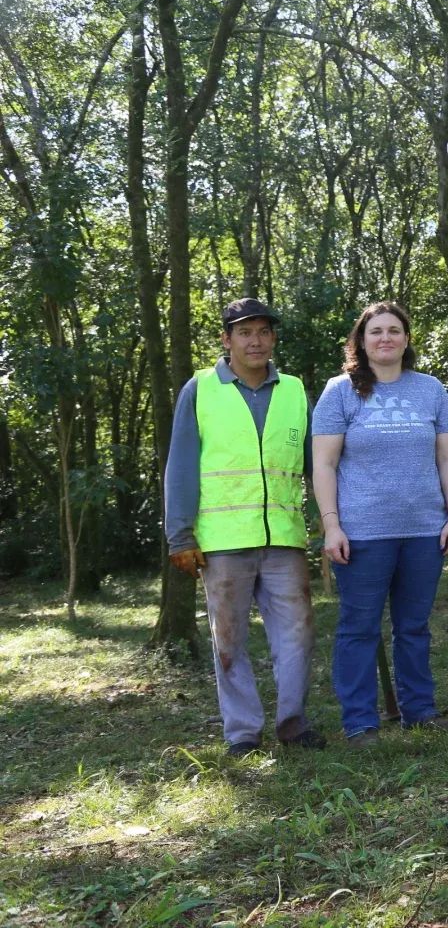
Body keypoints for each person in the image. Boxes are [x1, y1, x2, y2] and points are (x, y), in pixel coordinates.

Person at [164, 297, 325, 756]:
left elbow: (317, 464)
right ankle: (242, 734)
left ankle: (293, 724)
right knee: (229, 640)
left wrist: (331, 520)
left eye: (263, 332)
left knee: (298, 635)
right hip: (222, 543)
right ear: (227, 339)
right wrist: (180, 534)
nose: (255, 340)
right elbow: (181, 466)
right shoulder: (201, 389)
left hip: (284, 539)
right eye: (244, 332)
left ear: (273, 338)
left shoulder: (294, 390)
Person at [313, 301, 448, 747]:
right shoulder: (339, 392)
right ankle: (360, 723)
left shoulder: (431, 389)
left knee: (413, 627)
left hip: (423, 530)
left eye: (394, 330)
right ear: (361, 340)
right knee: (359, 627)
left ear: (406, 339)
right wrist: (331, 525)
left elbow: (447, 456)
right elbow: (323, 464)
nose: (385, 338)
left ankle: (419, 712)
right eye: (375, 331)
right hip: (361, 534)